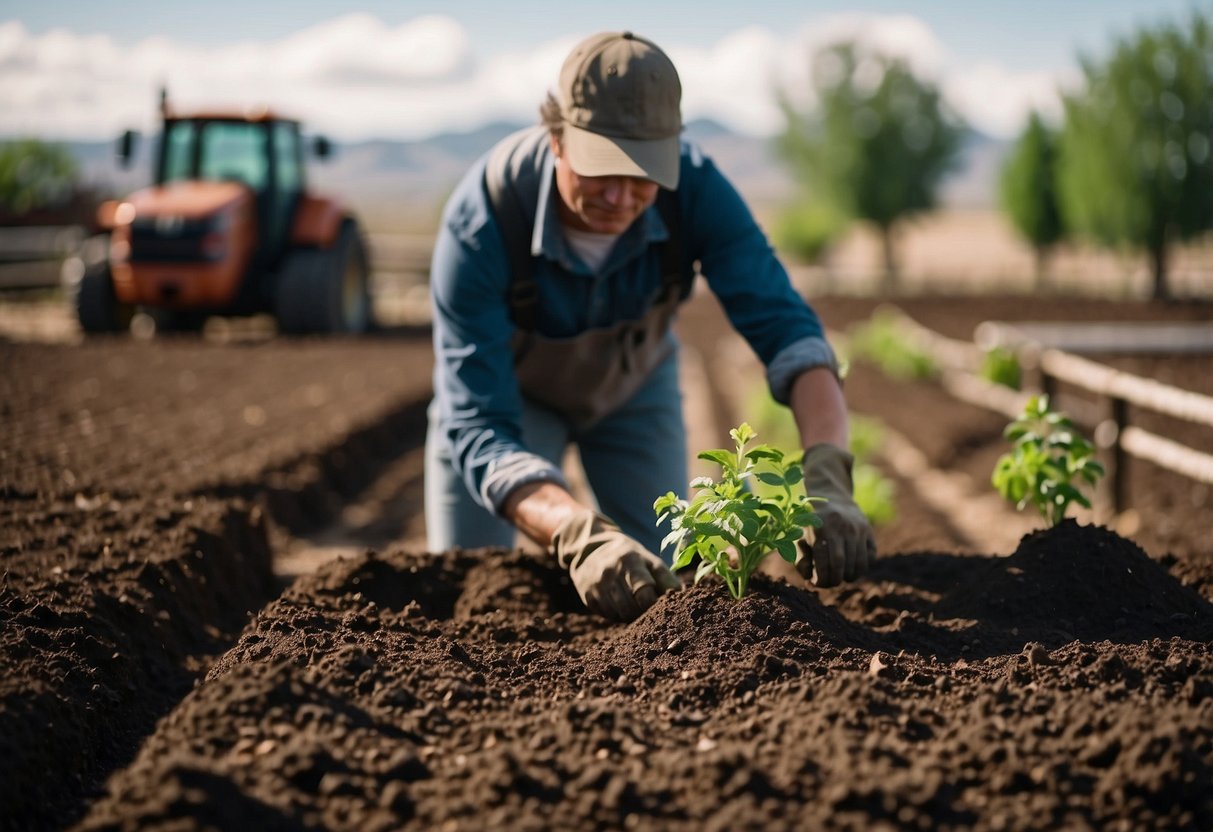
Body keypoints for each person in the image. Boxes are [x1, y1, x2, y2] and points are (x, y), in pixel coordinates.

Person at [425, 30, 875, 622]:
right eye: (601, 169)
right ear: (555, 138)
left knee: (665, 589)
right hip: (511, 406)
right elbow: (479, 423)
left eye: (642, 173)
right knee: (469, 589)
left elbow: (788, 330)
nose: (620, 195)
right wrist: (575, 533)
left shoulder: (699, 191)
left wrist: (829, 471)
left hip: (633, 392)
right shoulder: (483, 221)